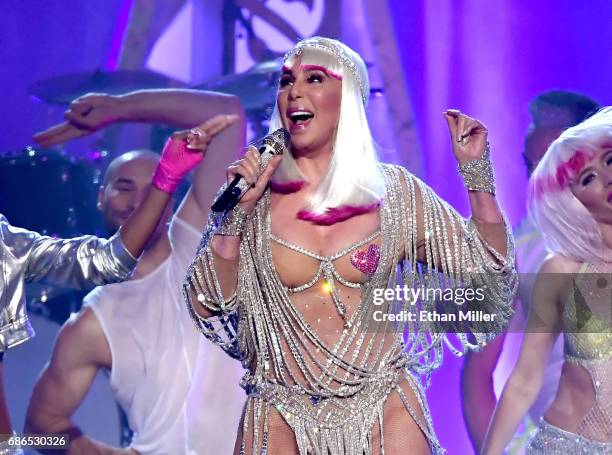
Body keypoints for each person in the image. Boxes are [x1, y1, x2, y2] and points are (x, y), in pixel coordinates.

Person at [183, 36, 517, 455]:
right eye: (286, 81)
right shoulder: (255, 199)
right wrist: (234, 216)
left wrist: (477, 174)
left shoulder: (394, 194)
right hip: (280, 413)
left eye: (315, 78)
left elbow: (490, 274)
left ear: (349, 98)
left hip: (384, 407)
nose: (294, 92)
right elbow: (208, 305)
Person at [25, 92, 246, 454]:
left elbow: (228, 114)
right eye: (124, 188)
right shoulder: (95, 321)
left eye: (156, 185)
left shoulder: (197, 241)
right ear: (101, 198)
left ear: (170, 199)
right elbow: (36, 431)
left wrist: (118, 109)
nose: (139, 202)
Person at [460, 91, 600, 452]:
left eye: (556, 161)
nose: (544, 177)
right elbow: (481, 375)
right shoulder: (518, 254)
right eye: (532, 165)